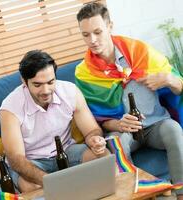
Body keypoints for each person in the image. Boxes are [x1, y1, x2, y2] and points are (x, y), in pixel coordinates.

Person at [75, 2, 183, 199]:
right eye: (86, 34)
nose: (92, 40)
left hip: (155, 124)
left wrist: (168, 79)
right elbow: (97, 119)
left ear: (110, 26)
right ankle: (140, 194)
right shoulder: (84, 73)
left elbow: (179, 88)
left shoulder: (141, 52)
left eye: (98, 32)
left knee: (174, 130)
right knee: (116, 145)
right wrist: (118, 123)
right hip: (122, 130)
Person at [0, 50, 109, 193]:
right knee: (32, 187)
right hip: (31, 161)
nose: (46, 90)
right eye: (37, 85)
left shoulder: (70, 91)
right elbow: (16, 159)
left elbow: (91, 129)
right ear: (24, 81)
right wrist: (53, 181)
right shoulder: (10, 108)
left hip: (66, 150)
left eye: (51, 82)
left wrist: (95, 139)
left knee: (103, 156)